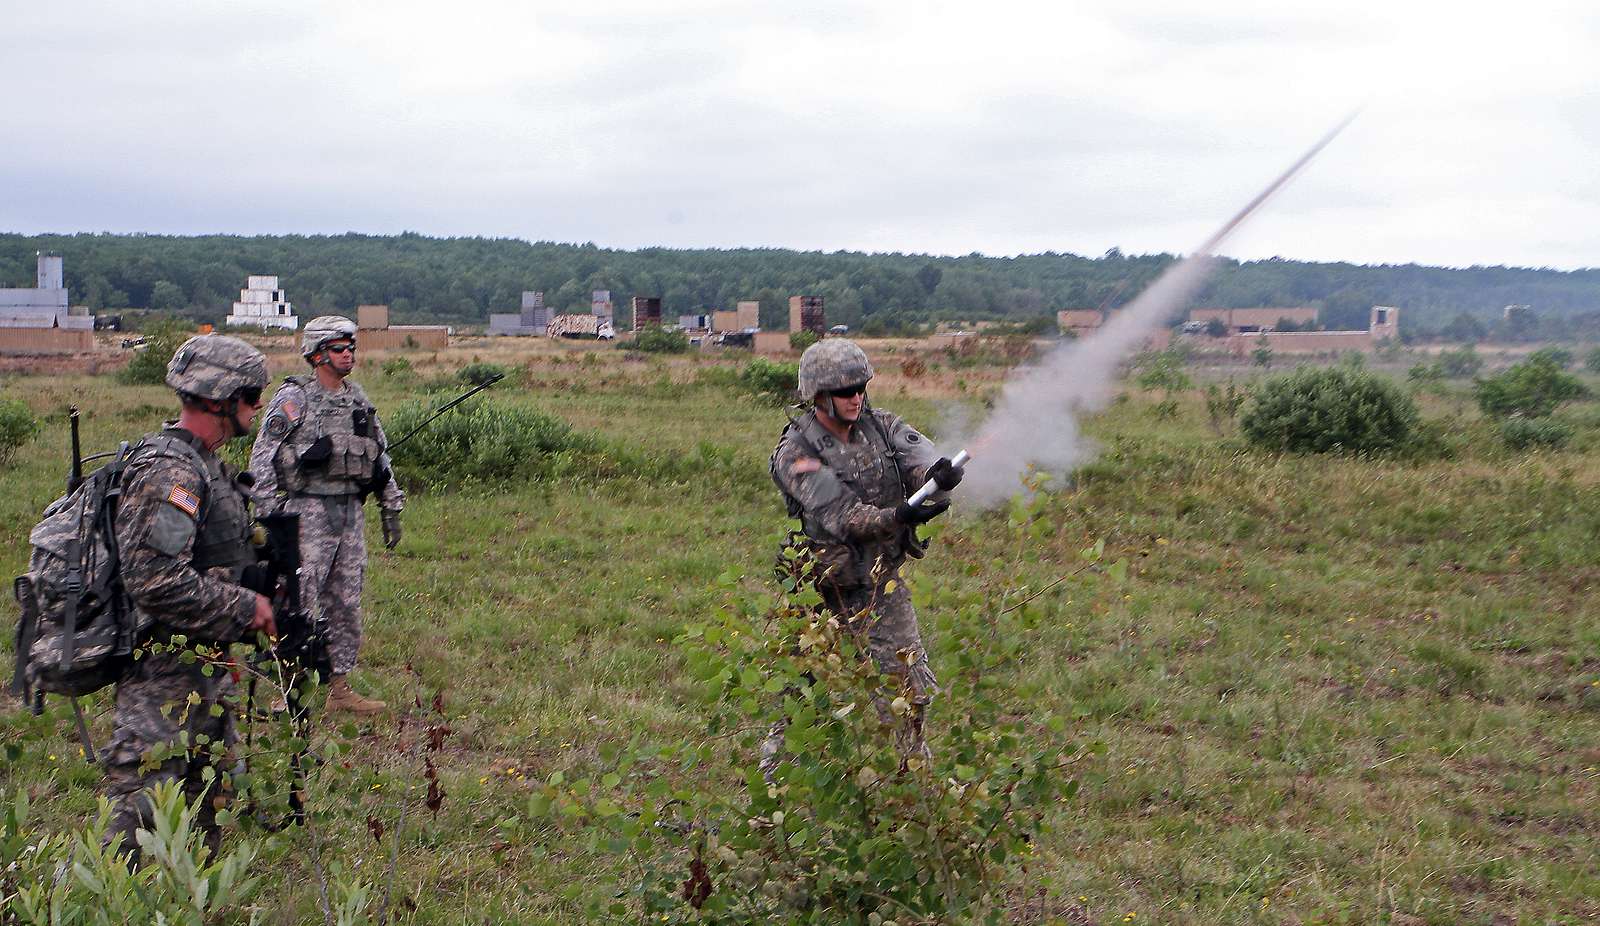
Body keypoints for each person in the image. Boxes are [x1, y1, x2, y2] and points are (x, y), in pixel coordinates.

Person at [104, 334, 277, 860]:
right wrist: (246, 607)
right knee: (139, 822)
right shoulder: (171, 472)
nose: (258, 407)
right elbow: (154, 580)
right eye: (250, 395)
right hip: (161, 677)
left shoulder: (207, 465)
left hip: (204, 670)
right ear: (218, 398)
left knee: (207, 808)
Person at [767, 338, 963, 766]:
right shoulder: (796, 453)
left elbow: (919, 459)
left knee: (909, 691)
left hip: (881, 584)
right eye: (844, 391)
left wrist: (939, 474)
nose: (856, 397)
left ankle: (915, 792)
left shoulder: (882, 426)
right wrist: (899, 515)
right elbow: (845, 515)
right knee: (801, 701)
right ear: (818, 396)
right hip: (822, 594)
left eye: (861, 387)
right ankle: (774, 799)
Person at [248, 315, 403, 715]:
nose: (348, 355)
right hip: (307, 511)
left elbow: (379, 454)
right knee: (299, 600)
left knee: (346, 601)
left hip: (349, 511)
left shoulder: (358, 400)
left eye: (352, 348)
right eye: (339, 349)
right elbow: (263, 457)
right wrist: (270, 516)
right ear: (317, 355)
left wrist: (391, 502)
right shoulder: (294, 399)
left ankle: (339, 687)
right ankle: (289, 691)